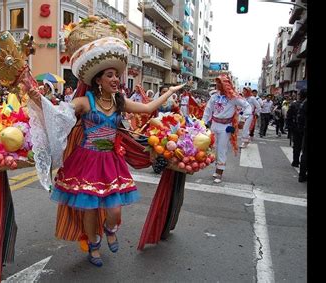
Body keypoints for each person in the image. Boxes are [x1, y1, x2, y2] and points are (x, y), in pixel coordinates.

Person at [27, 18, 186, 267]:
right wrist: (37, 99)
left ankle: (110, 228)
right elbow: (58, 114)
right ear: (98, 79)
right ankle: (93, 246)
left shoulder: (120, 102)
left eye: (117, 75)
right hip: (86, 160)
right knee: (89, 208)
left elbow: (147, 107)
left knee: (114, 210)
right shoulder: (86, 102)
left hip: (110, 161)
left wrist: (170, 91)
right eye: (110, 75)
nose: (116, 79)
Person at [202, 75, 252, 183]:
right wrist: (203, 123)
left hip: (225, 127)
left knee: (222, 149)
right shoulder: (214, 97)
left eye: (219, 82)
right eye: (217, 82)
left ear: (225, 84)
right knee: (213, 148)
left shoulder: (233, 97)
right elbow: (208, 110)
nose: (217, 85)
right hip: (214, 125)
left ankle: (219, 172)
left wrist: (243, 119)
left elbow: (248, 106)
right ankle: (217, 168)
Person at [286, 90, 305, 167]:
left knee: (296, 146)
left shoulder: (294, 104)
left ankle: (296, 161)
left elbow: (288, 117)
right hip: (301, 128)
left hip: (296, 128)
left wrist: (290, 127)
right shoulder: (295, 104)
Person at [296, 90, 307, 182]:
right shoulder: (304, 103)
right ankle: (302, 175)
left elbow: (300, 117)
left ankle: (302, 175)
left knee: (305, 154)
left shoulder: (304, 103)